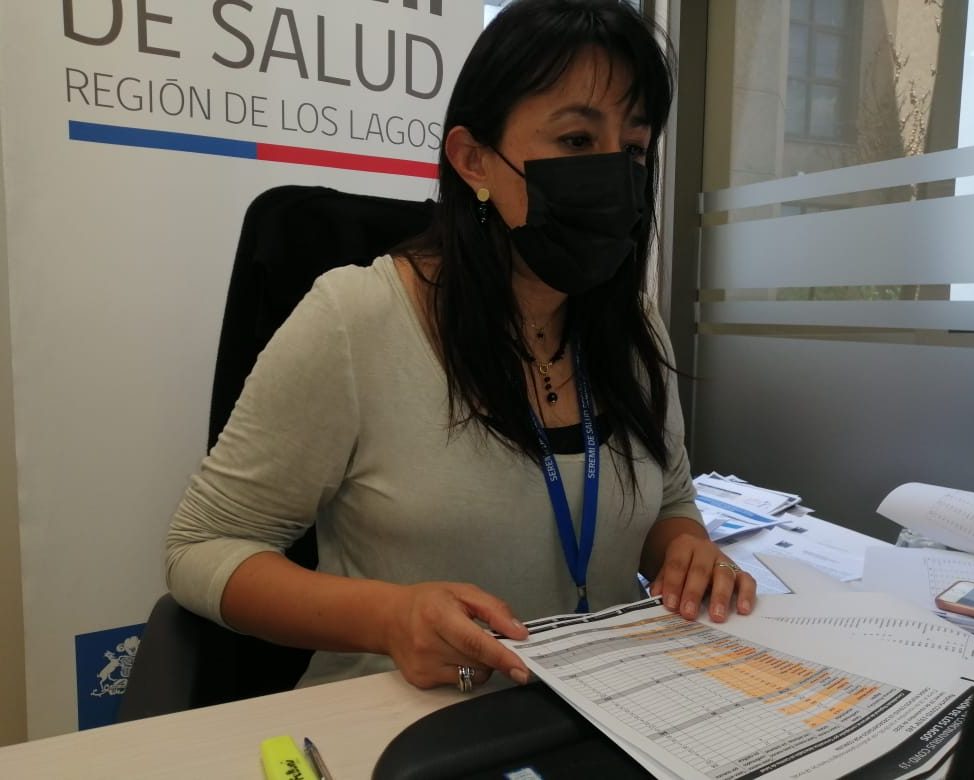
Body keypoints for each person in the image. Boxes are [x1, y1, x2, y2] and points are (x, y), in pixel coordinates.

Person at [165, 0, 757, 694]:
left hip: (607, 708)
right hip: (408, 719)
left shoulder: (634, 329)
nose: (613, 174)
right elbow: (198, 548)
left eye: (632, 149)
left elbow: (672, 503)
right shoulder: (355, 319)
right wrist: (388, 617)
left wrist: (686, 549)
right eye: (575, 140)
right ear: (474, 159)